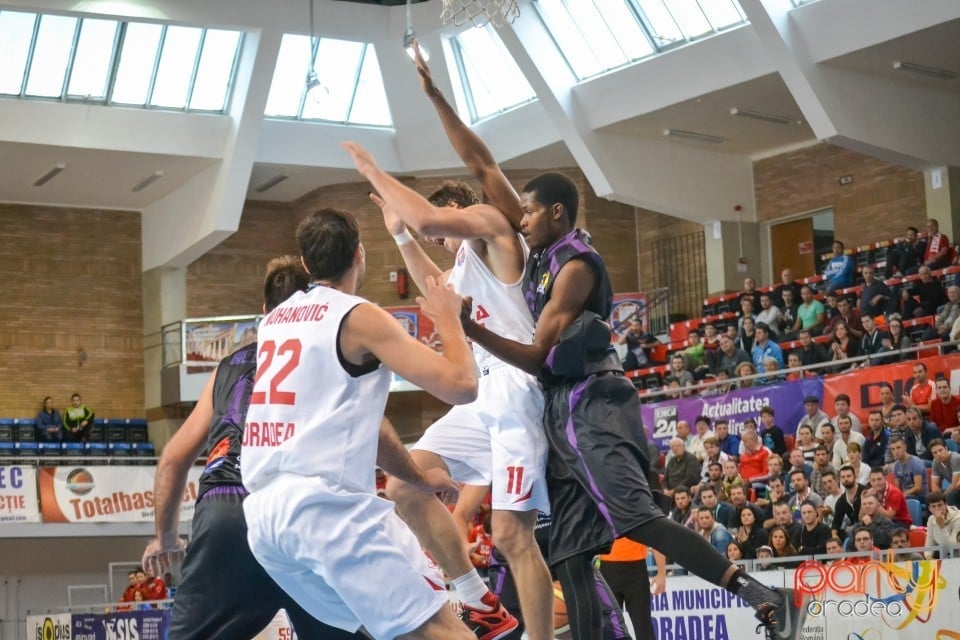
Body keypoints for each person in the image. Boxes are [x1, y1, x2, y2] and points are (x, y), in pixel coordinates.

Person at [460, 171, 784, 636]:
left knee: (638, 519)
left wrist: (471, 330)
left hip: (591, 403)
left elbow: (536, 358)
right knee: (569, 554)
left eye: (528, 211)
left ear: (555, 212)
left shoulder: (575, 264)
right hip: (558, 410)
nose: (521, 219)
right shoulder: (539, 251)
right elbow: (486, 169)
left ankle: (757, 592)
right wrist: (436, 98)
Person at [241, 210, 481, 640]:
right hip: (325, 510)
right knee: (442, 629)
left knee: (389, 632)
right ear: (359, 254)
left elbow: (369, 430)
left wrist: (419, 477)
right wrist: (448, 317)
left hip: (264, 520)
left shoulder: (273, 321)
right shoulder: (358, 316)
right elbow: (462, 385)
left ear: (306, 263)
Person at [348, 155, 553, 637]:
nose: (436, 243)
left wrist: (378, 176)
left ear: (458, 208)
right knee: (404, 484)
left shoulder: (489, 223)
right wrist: (399, 236)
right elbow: (433, 286)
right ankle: (478, 601)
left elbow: (429, 218)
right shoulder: (463, 266)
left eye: (440, 235)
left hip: (516, 388)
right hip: (480, 393)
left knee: (510, 534)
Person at [141, 256, 371, 640]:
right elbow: (373, 434)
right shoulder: (323, 353)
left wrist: (165, 536)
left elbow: (173, 458)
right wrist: (417, 477)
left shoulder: (227, 366)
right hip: (296, 513)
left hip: (225, 513)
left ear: (264, 311)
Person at [923, 491, 960, 558]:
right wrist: (929, 557)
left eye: (940, 505)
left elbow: (952, 548)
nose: (937, 509)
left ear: (945, 504)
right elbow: (929, 544)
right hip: (942, 558)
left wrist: (942, 526)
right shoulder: (931, 519)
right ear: (929, 508)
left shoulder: (958, 518)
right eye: (933, 506)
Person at [931, 438, 960, 507]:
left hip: (957, 488)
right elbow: (935, 484)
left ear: (946, 448)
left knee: (951, 495)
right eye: (935, 453)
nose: (938, 454)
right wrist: (937, 497)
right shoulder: (935, 462)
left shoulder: (955, 458)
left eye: (940, 450)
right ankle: (934, 517)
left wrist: (941, 498)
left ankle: (953, 517)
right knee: (931, 498)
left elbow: (954, 485)